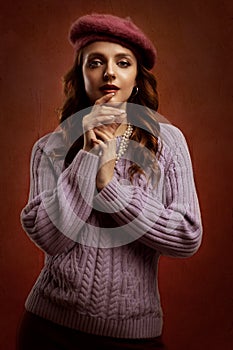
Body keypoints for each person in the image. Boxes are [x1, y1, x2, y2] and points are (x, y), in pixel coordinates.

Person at [17, 13, 202, 350]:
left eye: (123, 62)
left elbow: (186, 235)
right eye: (96, 62)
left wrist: (110, 186)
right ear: (80, 74)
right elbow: (50, 238)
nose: (109, 73)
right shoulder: (50, 147)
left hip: (134, 336)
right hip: (49, 328)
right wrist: (88, 155)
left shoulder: (166, 141)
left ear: (136, 77)